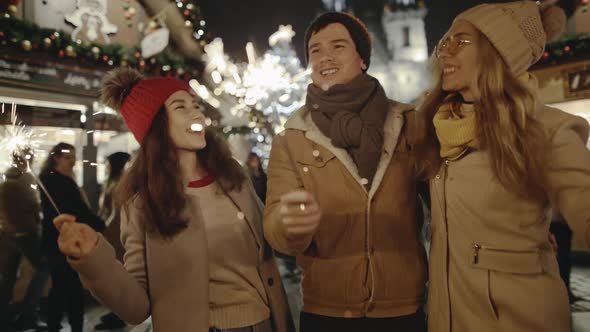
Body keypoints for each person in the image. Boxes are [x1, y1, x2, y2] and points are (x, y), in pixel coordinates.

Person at [52, 68, 294, 332]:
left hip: (264, 324)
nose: (197, 114)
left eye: (196, 105)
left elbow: (275, 242)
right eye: (181, 107)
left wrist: (290, 221)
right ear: (155, 124)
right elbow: (136, 307)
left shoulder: (236, 181)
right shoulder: (142, 205)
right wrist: (93, 259)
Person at [416, 2, 590, 331]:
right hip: (448, 315)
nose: (445, 51)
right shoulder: (436, 125)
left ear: (498, 52)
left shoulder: (545, 128)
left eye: (462, 41)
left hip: (516, 318)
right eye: (445, 42)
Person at [263, 12, 427, 332]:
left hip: (402, 308)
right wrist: (288, 224)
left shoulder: (407, 123)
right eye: (315, 50)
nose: (325, 56)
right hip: (328, 311)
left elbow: (446, 202)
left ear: (362, 59)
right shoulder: (292, 138)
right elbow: (274, 226)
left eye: (338, 46)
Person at [40, 142, 105, 332]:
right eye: (68, 157)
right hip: (63, 240)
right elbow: (78, 210)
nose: (73, 161)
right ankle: (75, 326)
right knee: (71, 287)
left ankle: (56, 324)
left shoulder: (50, 179)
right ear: (56, 158)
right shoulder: (60, 181)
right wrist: (101, 225)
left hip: (55, 240)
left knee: (61, 286)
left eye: (74, 156)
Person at [0, 148, 48, 331]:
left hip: (7, 234)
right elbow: (35, 206)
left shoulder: (6, 176)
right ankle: (29, 312)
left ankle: (4, 317)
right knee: (44, 267)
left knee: (9, 277)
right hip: (26, 233)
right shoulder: (25, 178)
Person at [95, 151, 131, 330]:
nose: (106, 166)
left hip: (115, 236)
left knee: (117, 275)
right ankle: (114, 313)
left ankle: (118, 315)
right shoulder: (114, 183)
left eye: (108, 163)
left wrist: (106, 230)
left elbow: (116, 214)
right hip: (111, 234)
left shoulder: (118, 185)